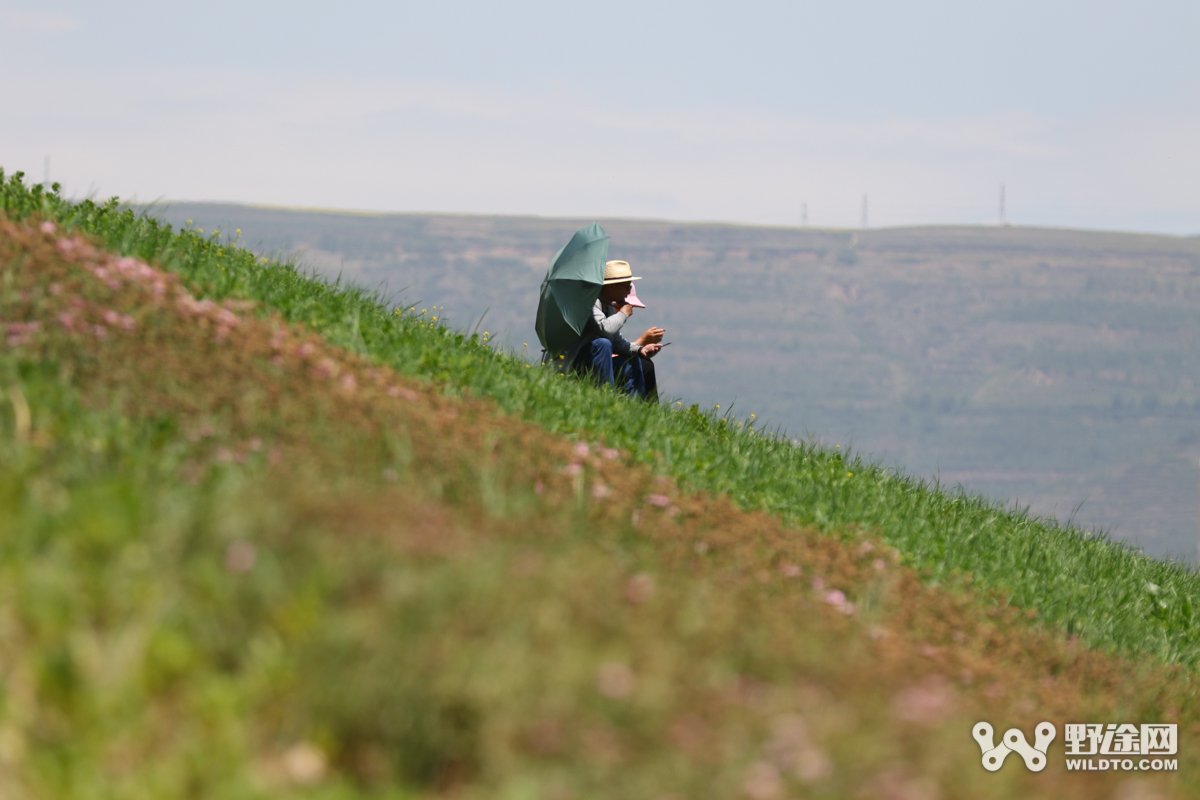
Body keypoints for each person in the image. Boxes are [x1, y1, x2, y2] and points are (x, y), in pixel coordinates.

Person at [562, 260, 664, 399]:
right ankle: (607, 397)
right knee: (603, 344)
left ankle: (635, 407)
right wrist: (623, 314)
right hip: (575, 362)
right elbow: (605, 328)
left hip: (594, 361)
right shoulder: (590, 302)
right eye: (627, 287)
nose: (628, 293)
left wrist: (640, 349)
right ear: (612, 286)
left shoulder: (607, 305)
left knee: (631, 361)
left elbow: (616, 341)